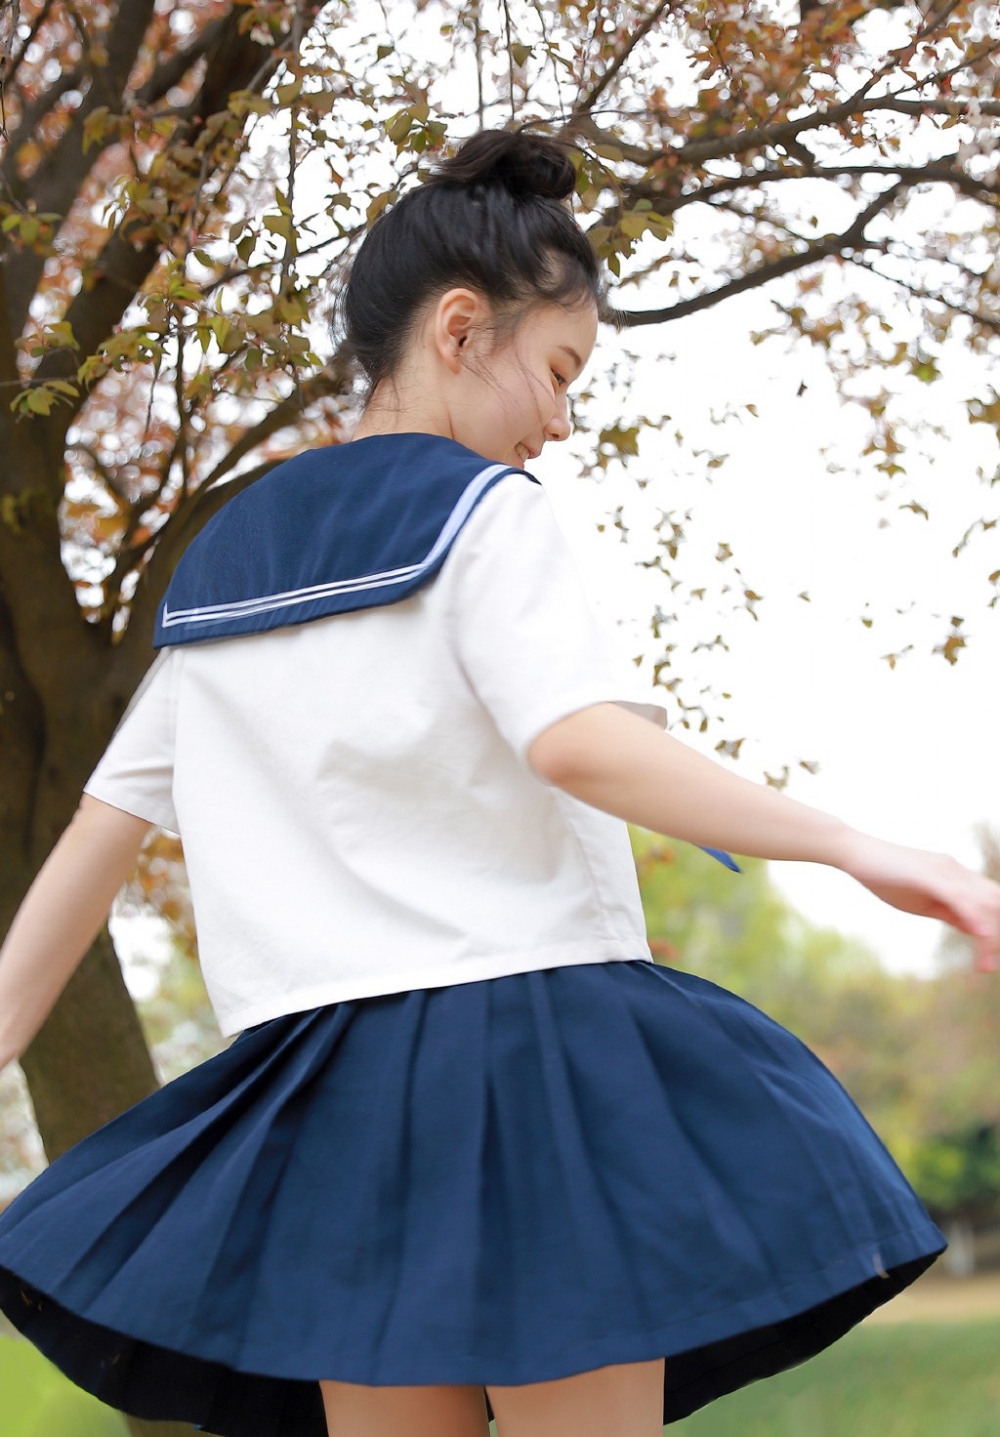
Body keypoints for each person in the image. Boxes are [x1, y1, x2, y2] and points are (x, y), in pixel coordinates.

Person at [0, 127, 997, 1437]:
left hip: (328, 1098)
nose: (562, 420)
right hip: (526, 1068)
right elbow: (577, 738)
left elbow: (95, 834)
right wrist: (862, 844)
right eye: (559, 370)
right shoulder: (483, 510)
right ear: (461, 329)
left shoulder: (222, 569)